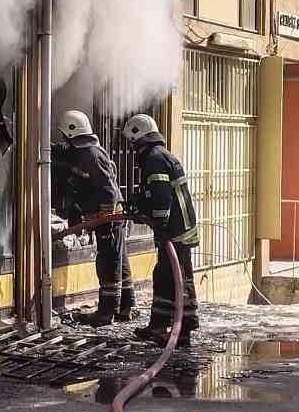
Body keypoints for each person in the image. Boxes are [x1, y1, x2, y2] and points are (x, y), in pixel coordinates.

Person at [123, 114, 202, 347]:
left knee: (178, 278)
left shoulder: (154, 159)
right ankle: (158, 326)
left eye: (133, 142)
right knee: (165, 276)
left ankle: (184, 328)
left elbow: (161, 198)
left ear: (140, 138)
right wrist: (139, 200)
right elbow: (156, 193)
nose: (132, 147)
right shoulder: (159, 156)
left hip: (176, 230)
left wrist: (160, 226)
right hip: (178, 227)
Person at [51, 111, 135, 326]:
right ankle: (126, 307)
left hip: (109, 217)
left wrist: (101, 217)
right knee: (119, 259)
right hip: (109, 217)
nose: (63, 141)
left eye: (65, 136)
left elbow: (107, 191)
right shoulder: (85, 153)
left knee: (108, 262)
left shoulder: (90, 156)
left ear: (71, 133)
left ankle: (107, 312)